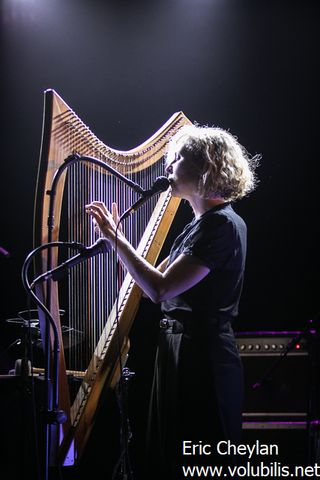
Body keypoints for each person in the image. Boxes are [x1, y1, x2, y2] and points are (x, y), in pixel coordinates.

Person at [85, 124, 259, 479]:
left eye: (177, 159)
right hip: (177, 348)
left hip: (204, 355)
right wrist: (116, 243)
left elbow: (160, 288)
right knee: (172, 457)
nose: (168, 167)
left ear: (205, 166)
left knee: (206, 458)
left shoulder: (222, 225)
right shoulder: (197, 225)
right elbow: (147, 282)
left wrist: (116, 238)